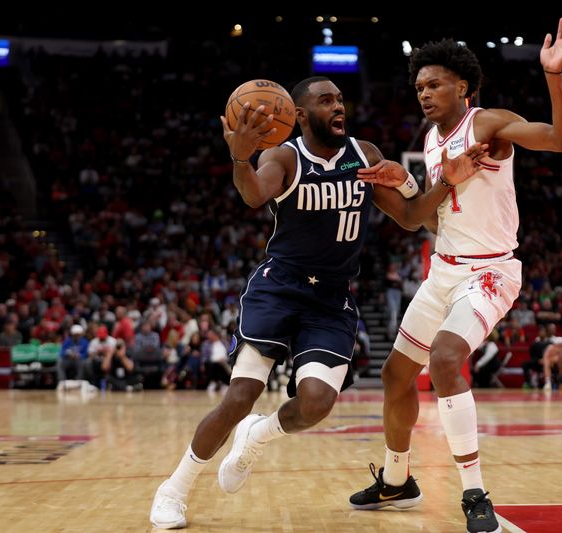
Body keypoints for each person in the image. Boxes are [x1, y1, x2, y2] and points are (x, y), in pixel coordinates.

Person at [149, 76, 486, 529]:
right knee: (240, 396)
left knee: (316, 403)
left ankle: (258, 436)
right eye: (326, 101)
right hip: (279, 289)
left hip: (331, 298)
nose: (338, 106)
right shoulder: (283, 156)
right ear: (300, 115)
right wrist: (239, 156)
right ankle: (174, 489)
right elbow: (252, 194)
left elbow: (410, 218)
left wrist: (437, 182)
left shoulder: (363, 154)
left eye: (341, 99)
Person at [348, 15, 562, 533]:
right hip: (444, 271)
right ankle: (397, 479)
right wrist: (408, 187)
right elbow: (422, 220)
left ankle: (475, 494)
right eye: (418, 87)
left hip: (491, 271)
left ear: (463, 86)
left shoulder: (489, 123)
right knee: (394, 376)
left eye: (433, 84)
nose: (424, 94)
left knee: (448, 360)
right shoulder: (433, 142)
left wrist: (554, 76)